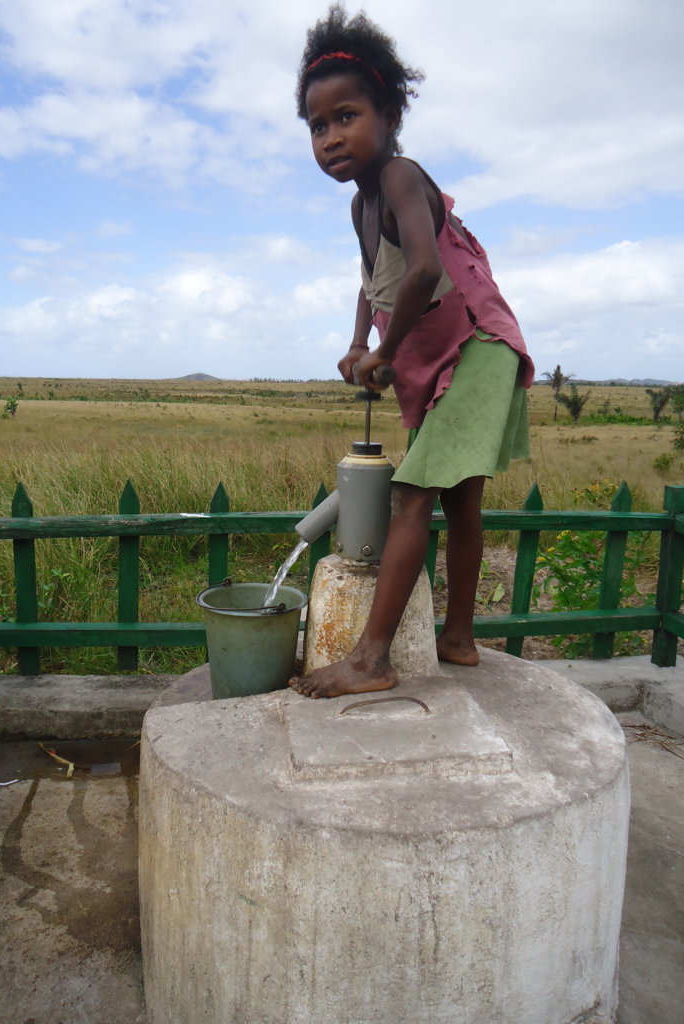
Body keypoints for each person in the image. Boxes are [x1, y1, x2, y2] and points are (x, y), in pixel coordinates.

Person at [290, 5, 534, 699]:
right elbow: (378, 280)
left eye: (347, 116)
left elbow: (425, 268)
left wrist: (384, 352)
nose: (332, 136)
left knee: (410, 495)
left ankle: (372, 658)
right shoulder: (360, 205)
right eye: (318, 125)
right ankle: (457, 637)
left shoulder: (399, 176)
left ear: (390, 117)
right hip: (440, 354)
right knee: (461, 500)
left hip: (477, 346)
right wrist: (359, 339)